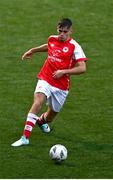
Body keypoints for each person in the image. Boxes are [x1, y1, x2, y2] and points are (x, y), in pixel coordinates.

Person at [11, 18, 88, 147]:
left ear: (71, 31)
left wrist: (63, 71)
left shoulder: (75, 47)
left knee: (50, 116)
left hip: (61, 86)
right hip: (45, 78)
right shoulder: (52, 39)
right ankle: (25, 137)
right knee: (38, 102)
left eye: (65, 32)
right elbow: (49, 46)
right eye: (60, 31)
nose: (62, 34)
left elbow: (82, 68)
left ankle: (41, 121)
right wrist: (33, 50)